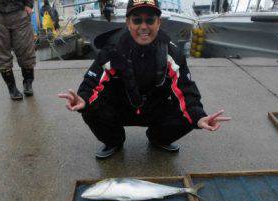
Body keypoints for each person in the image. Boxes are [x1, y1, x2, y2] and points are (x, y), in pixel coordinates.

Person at [59, 0, 230, 159]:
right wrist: (84, 98)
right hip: (120, 108)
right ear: (128, 23)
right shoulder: (111, 50)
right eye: (137, 20)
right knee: (89, 107)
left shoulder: (173, 54)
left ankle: (159, 138)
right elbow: (92, 83)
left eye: (150, 20)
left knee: (188, 116)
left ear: (158, 23)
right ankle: (114, 141)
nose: (144, 26)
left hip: (155, 109)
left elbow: (186, 90)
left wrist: (199, 117)